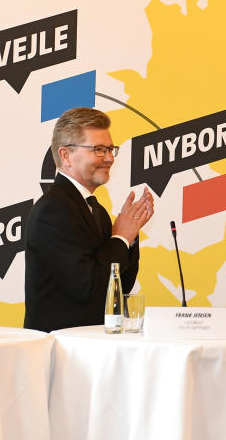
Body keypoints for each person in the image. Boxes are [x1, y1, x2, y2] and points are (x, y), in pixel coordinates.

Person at [24, 107, 153, 332]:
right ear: (66, 156)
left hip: (91, 349)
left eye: (111, 149)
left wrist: (128, 239)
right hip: (62, 354)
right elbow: (89, 288)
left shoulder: (97, 211)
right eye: (99, 150)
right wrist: (121, 238)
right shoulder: (53, 211)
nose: (110, 158)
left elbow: (118, 288)